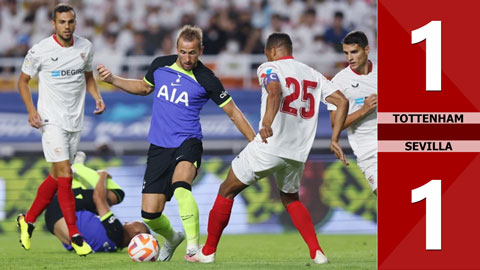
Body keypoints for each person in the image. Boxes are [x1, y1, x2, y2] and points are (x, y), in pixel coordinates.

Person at [185, 32, 349, 264]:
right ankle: (317, 252)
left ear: (272, 51)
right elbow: (342, 101)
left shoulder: (268, 68)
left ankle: (208, 251)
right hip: (298, 152)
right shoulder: (313, 73)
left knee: (227, 190)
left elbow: (275, 91)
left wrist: (266, 123)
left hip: (270, 145)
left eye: (266, 54)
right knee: (290, 198)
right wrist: (335, 138)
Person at [96, 25, 255, 260]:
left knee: (181, 188)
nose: (187, 58)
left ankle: (193, 248)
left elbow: (233, 112)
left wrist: (255, 141)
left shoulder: (207, 78)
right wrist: (113, 79)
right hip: (159, 146)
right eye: (183, 52)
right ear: (177, 49)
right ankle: (172, 237)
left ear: (200, 50)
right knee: (150, 215)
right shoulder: (160, 65)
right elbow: (143, 87)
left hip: (188, 142)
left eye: (192, 52)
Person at [16, 3, 105, 256]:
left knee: (57, 176)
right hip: (50, 120)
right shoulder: (40, 50)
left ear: (75, 23)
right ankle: (75, 235)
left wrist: (97, 96)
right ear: (53, 24)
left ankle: (28, 220)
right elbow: (22, 81)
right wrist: (31, 110)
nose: (67, 26)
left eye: (71, 22)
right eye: (62, 22)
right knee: (66, 174)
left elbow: (88, 76)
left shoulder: (85, 47)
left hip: (74, 122)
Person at [45, 151, 150, 252]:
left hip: (60, 210)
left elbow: (98, 198)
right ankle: (76, 175)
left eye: (133, 222)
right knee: (98, 203)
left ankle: (77, 167)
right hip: (56, 222)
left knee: (117, 194)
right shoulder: (114, 246)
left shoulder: (117, 231)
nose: (127, 221)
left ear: (137, 232)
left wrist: (103, 175)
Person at [327, 30, 377, 196]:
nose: (349, 58)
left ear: (367, 49)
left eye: (354, 52)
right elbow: (335, 124)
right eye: (346, 53)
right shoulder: (339, 82)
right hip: (368, 152)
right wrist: (364, 110)